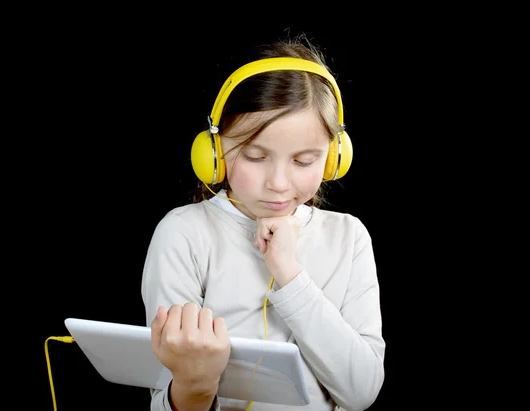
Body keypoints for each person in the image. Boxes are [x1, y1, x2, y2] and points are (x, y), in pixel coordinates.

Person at [141, 36, 385, 411]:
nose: (279, 183)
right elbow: (163, 398)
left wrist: (288, 272)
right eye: (255, 156)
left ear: (336, 157)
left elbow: (361, 391)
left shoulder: (348, 238)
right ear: (215, 152)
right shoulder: (184, 234)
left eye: (304, 161)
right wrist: (195, 385)